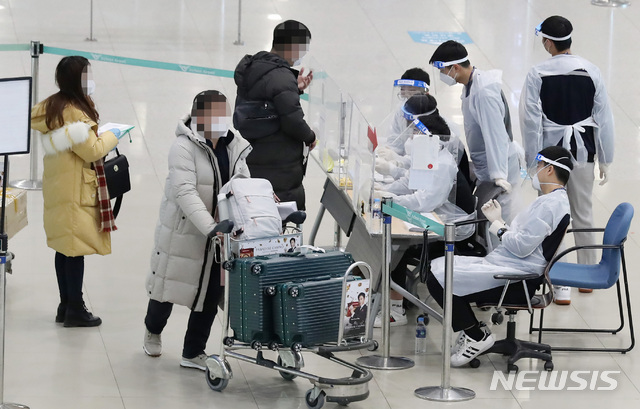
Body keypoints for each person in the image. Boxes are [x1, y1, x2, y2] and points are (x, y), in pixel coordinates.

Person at [426, 146, 572, 367]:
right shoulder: (551, 201)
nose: (536, 171)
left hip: (518, 277)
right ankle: (476, 330)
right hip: (510, 264)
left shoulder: (550, 206)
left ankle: (476, 335)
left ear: (550, 170)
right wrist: (500, 221)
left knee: (439, 278)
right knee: (439, 266)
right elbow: (525, 239)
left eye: (539, 165)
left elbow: (522, 246)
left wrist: (498, 225)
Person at [143, 90, 251, 370]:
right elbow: (185, 193)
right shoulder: (183, 146)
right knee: (167, 287)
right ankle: (153, 330)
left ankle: (193, 351)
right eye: (217, 115)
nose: (223, 120)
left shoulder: (234, 143)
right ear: (200, 116)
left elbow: (241, 179)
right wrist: (211, 227)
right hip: (185, 232)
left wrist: (254, 197)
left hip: (219, 234)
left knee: (210, 292)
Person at [520, 16, 615, 305]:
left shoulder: (538, 74)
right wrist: (606, 158)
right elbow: (604, 118)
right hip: (585, 150)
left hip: (551, 158)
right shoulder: (592, 71)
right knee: (583, 211)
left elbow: (530, 121)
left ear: (548, 42)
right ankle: (586, 274)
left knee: (552, 215)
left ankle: (557, 281)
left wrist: (531, 160)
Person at [30, 56, 122, 327]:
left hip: (59, 186)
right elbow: (92, 150)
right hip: (75, 191)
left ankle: (65, 305)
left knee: (64, 249)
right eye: (86, 75)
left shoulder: (52, 107)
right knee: (75, 251)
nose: (90, 80)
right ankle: (76, 309)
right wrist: (113, 134)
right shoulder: (75, 113)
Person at [373, 94, 476, 327]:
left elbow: (424, 201)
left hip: (451, 227)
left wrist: (393, 202)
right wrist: (384, 191)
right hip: (435, 215)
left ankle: (396, 310)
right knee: (388, 233)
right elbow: (409, 182)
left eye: (417, 133)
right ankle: (389, 298)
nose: (412, 137)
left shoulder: (442, 164)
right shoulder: (428, 155)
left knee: (393, 242)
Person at [429, 40, 520, 221]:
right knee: (487, 223)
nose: (442, 76)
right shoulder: (471, 85)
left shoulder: (484, 93)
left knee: (499, 225)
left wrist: (499, 175)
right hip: (488, 168)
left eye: (442, 71)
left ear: (454, 68)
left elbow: (496, 135)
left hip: (500, 170)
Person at [233, 19, 316, 210]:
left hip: (255, 155)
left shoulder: (255, 67)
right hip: (277, 164)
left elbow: (268, 102)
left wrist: (294, 88)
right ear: (292, 46)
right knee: (277, 223)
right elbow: (293, 120)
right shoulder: (281, 77)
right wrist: (310, 136)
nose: (302, 54)